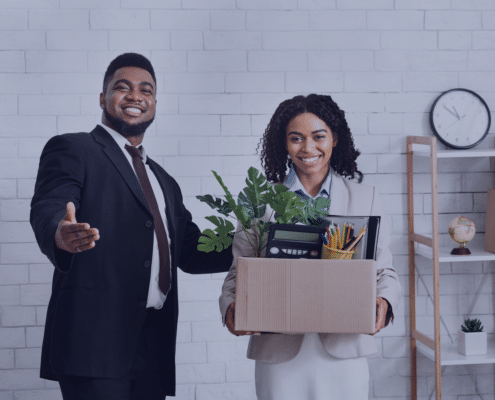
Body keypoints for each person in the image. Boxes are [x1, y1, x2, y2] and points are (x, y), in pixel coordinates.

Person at [30, 53, 233, 400]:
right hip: (94, 343)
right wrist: (59, 233)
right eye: (122, 87)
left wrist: (257, 245)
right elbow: (51, 204)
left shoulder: (164, 181)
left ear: (154, 102)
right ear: (102, 98)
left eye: (146, 90)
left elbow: (192, 253)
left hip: (152, 342)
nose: (136, 96)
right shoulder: (74, 148)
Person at [219, 94, 401, 400]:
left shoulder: (365, 197)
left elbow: (384, 270)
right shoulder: (258, 202)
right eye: (296, 138)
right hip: (279, 352)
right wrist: (231, 308)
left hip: (343, 349)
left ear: (335, 139)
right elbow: (238, 273)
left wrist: (385, 301)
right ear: (284, 144)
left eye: (319, 137)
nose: (308, 148)